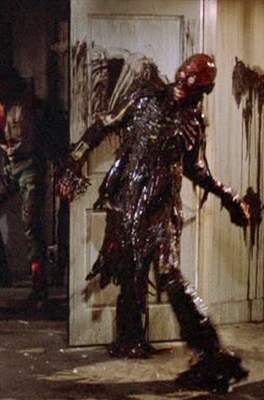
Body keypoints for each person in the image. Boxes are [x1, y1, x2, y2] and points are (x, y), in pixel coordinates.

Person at [56, 53, 250, 392]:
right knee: (131, 269)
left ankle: (210, 351)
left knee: (169, 273)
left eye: (196, 84)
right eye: (188, 77)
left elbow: (195, 169)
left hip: (163, 206)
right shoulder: (144, 100)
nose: (188, 85)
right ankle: (131, 339)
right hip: (130, 201)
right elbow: (104, 124)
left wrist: (228, 196)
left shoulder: (194, 120)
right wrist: (75, 159)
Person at [0, 65, 49, 301]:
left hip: (30, 167)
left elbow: (33, 134)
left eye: (1, 84)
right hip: (9, 168)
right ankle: (0, 272)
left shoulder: (26, 104)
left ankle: (39, 284)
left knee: (31, 222)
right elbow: (5, 133)